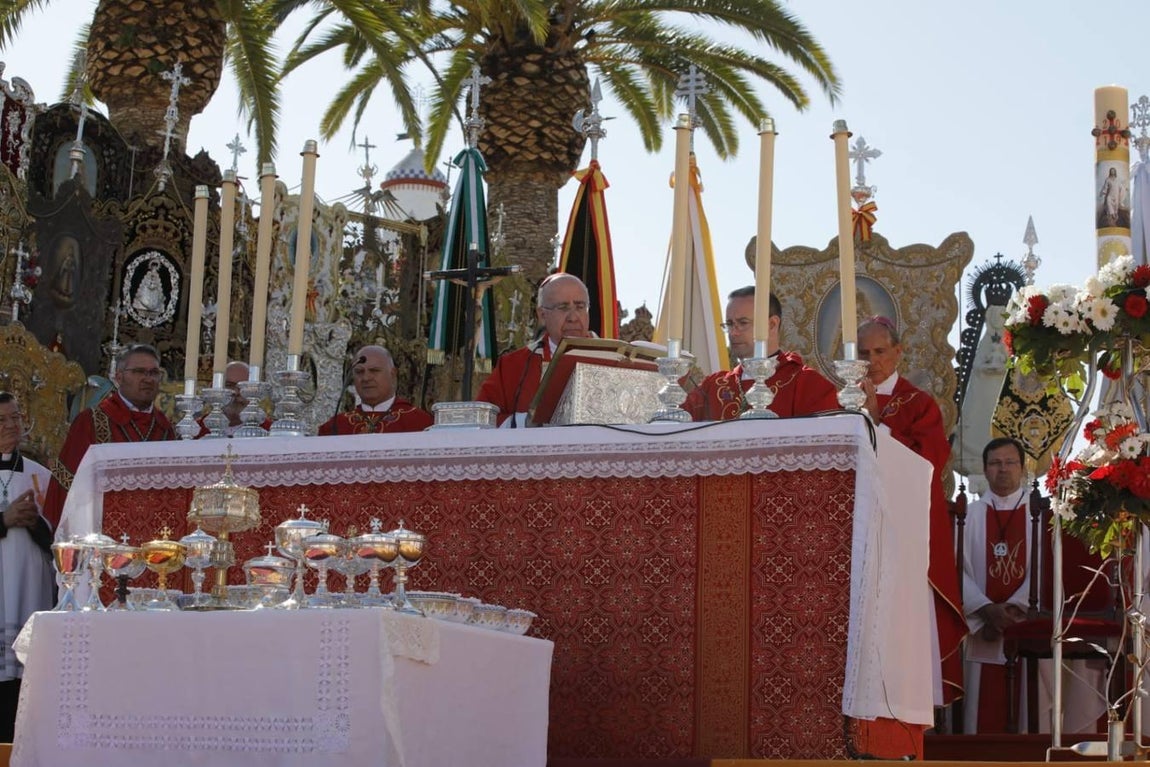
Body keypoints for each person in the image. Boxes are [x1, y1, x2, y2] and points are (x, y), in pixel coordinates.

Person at [857, 317, 967, 709]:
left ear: (898, 352)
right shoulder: (843, 402)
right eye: (863, 353)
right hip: (861, 532)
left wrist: (875, 424)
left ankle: (909, 709)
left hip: (907, 534)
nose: (871, 361)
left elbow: (928, 463)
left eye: (879, 351)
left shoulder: (918, 403)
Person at [962, 437, 1105, 733]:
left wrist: (1014, 609)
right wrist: (985, 608)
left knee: (1034, 713)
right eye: (995, 463)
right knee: (981, 710)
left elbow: (1050, 567)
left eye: (1010, 462)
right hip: (982, 626)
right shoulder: (969, 517)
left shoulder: (1043, 514)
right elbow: (956, 570)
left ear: (1024, 468)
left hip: (1028, 623)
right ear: (985, 469)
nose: (1003, 470)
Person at [43, 344, 176, 529]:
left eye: (154, 373)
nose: (148, 379)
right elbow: (68, 484)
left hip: (153, 533)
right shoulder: (91, 422)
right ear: (119, 377)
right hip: (100, 532)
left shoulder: (165, 428)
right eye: (139, 371)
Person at [681, 286, 838, 420]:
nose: (733, 333)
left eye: (743, 323)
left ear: (772, 324)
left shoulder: (806, 384)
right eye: (729, 324)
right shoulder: (712, 386)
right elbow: (671, 427)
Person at [0, 392, 54, 741]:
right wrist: (4, 518)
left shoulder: (41, 476)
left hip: (29, 588)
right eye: (2, 420)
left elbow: (62, 538)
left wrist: (35, 522)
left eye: (16, 417)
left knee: (23, 691)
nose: (11, 425)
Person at [477, 273, 594, 426]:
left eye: (580, 307)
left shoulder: (613, 359)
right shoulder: (514, 365)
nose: (573, 317)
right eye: (563, 307)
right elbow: (482, 419)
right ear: (542, 315)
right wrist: (522, 422)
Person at [318, 345, 433, 435]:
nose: (366, 378)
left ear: (393, 375)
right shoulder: (335, 427)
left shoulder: (421, 423)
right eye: (359, 372)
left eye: (374, 370)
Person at [195, 361, 270, 437]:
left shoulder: (270, 431)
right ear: (213, 388)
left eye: (244, 387)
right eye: (229, 385)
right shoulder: (195, 430)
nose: (236, 392)